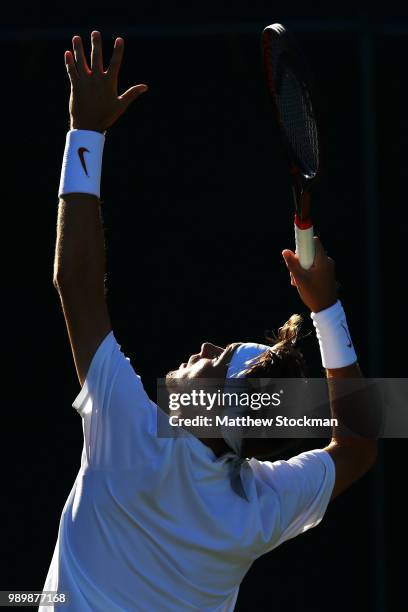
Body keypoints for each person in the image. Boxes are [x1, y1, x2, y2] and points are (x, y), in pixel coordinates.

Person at [42, 31, 377, 611]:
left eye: (215, 359)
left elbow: (75, 283)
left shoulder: (132, 433)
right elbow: (361, 444)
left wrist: (86, 133)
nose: (201, 346)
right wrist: (327, 310)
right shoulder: (253, 510)